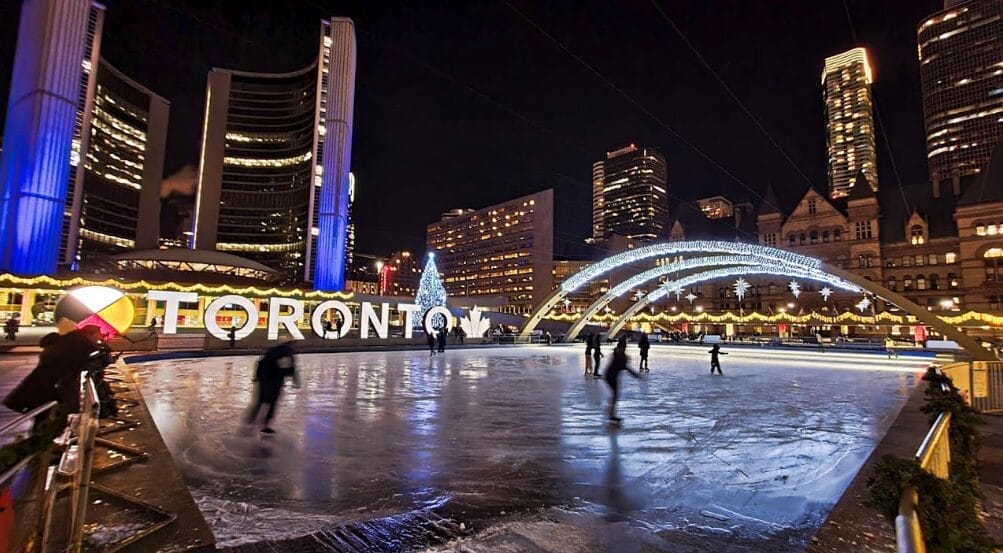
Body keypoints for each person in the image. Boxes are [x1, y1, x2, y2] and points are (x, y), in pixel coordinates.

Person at [3, 319, 101, 429]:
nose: (100, 336)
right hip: (54, 387)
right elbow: (78, 364)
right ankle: (42, 441)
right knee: (52, 419)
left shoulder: (58, 343)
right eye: (98, 334)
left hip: (40, 386)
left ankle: (41, 438)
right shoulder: (77, 345)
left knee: (43, 418)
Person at [245, 340, 299, 434]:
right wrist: (295, 380)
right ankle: (265, 425)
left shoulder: (273, 351)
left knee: (261, 401)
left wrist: (257, 377)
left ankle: (250, 420)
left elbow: (261, 363)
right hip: (274, 382)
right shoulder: (287, 353)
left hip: (265, 380)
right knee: (271, 404)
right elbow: (290, 368)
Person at [603, 336, 641, 422]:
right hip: (611, 376)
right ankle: (611, 414)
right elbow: (625, 367)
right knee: (615, 395)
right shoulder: (621, 355)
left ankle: (610, 412)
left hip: (609, 375)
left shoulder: (617, 353)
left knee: (614, 395)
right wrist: (636, 375)